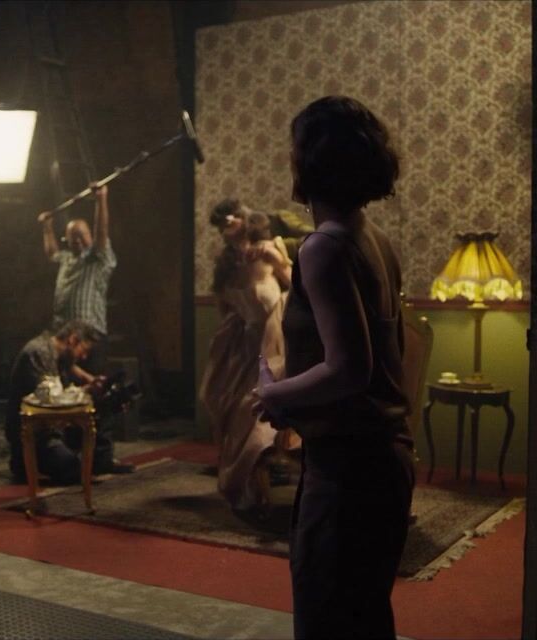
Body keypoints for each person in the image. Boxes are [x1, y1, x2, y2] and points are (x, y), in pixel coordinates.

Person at [254, 96, 415, 639]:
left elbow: (349, 370)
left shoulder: (323, 247)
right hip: (384, 459)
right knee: (365, 619)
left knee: (329, 622)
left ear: (310, 161)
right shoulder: (375, 240)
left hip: (349, 471)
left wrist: (276, 395)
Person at [200, 207, 299, 512]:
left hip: (274, 346)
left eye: (233, 215)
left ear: (245, 218)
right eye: (221, 221)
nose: (228, 222)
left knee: (252, 408)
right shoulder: (227, 263)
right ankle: (249, 486)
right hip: (243, 346)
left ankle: (249, 479)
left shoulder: (270, 248)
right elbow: (224, 306)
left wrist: (277, 261)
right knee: (220, 398)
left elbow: (299, 287)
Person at [4, 320, 132, 483]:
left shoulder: (61, 357)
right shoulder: (39, 353)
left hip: (55, 427)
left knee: (103, 402)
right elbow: (51, 402)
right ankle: (24, 463)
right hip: (37, 434)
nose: (84, 357)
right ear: (73, 340)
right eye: (84, 350)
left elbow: (65, 393)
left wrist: (96, 390)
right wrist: (86, 392)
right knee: (72, 469)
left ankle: (101, 461)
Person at [37, 183, 116, 382]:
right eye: (73, 238)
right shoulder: (66, 259)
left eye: (82, 236)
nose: (78, 241)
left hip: (90, 339)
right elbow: (52, 253)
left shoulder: (97, 259)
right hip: (66, 339)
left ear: (90, 236)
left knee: (93, 388)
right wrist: (47, 228)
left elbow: (101, 233)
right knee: (65, 388)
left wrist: (101, 200)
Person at [210, 198, 316, 259]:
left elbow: (314, 238)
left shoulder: (279, 218)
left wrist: (276, 245)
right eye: (222, 230)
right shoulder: (232, 250)